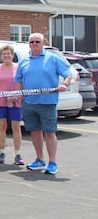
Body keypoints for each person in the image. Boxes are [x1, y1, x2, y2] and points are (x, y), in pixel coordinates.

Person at [15, 33, 71, 175]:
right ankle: (39, 159)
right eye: (32, 42)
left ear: (43, 43)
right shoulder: (24, 61)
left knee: (50, 133)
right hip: (29, 102)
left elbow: (68, 73)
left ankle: (52, 162)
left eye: (37, 42)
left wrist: (65, 84)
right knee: (34, 132)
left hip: (48, 102)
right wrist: (20, 93)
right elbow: (18, 80)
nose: (34, 44)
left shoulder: (52, 59)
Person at [0, 44, 24, 165]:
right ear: (1, 56)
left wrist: (17, 95)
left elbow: (23, 84)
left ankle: (18, 154)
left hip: (15, 101)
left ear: (12, 55)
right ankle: (2, 152)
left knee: (16, 126)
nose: (7, 56)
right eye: (4, 54)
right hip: (0, 101)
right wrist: (1, 93)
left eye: (9, 54)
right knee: (2, 125)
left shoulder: (19, 68)